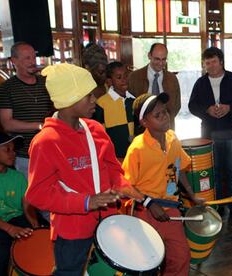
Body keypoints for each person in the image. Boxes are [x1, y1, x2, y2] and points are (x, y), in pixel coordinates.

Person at [25, 63, 148, 275]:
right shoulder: (46, 141)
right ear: (69, 100)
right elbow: (37, 194)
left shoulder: (96, 129)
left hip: (108, 223)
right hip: (72, 230)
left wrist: (125, 188)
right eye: (88, 95)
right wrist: (85, 202)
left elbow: (113, 170)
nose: (94, 100)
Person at [122, 93, 204, 276]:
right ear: (144, 122)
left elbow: (179, 167)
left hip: (171, 208)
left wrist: (192, 195)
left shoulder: (172, 138)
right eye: (157, 115)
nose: (164, 116)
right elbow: (125, 185)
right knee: (148, 262)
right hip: (145, 212)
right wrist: (149, 203)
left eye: (165, 112)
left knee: (181, 257)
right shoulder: (137, 148)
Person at [188, 47, 232, 221]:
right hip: (209, 136)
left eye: (214, 61)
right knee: (213, 173)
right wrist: (206, 110)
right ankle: (217, 206)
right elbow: (192, 106)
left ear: (221, 61)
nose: (211, 65)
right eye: (207, 63)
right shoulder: (200, 83)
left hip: (231, 134)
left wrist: (229, 108)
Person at [0, 42, 53, 178]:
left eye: (33, 58)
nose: (32, 62)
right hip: (25, 155)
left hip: (51, 150)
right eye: (27, 58)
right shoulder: (7, 88)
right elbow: (7, 123)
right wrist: (38, 126)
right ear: (14, 61)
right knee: (30, 195)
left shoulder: (47, 82)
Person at [0, 133, 40, 275]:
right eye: (7, 149)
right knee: (2, 252)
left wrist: (35, 226)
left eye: (14, 149)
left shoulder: (18, 176)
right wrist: (11, 229)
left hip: (17, 218)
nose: (13, 153)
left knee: (38, 241)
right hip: (1, 223)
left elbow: (27, 206)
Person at [128, 43, 181, 130]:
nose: (160, 63)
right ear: (149, 56)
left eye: (164, 59)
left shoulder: (172, 79)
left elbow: (176, 105)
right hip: (142, 129)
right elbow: (131, 105)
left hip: (166, 129)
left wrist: (162, 120)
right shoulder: (134, 77)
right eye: (157, 59)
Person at [93, 61, 135, 160]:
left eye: (125, 76)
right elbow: (100, 134)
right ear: (109, 82)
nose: (124, 80)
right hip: (114, 156)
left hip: (133, 154)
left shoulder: (133, 100)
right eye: (119, 77)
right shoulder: (101, 104)